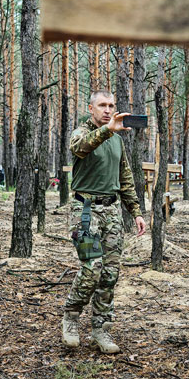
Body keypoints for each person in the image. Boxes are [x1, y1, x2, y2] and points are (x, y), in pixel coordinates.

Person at [62, 90, 146, 354]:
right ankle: (71, 318)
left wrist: (135, 211)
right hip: (85, 211)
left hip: (111, 213)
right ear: (91, 108)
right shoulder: (81, 133)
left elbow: (125, 177)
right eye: (102, 105)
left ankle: (100, 329)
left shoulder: (117, 140)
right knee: (91, 268)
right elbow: (80, 148)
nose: (108, 110)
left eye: (112, 105)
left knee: (110, 274)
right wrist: (108, 130)